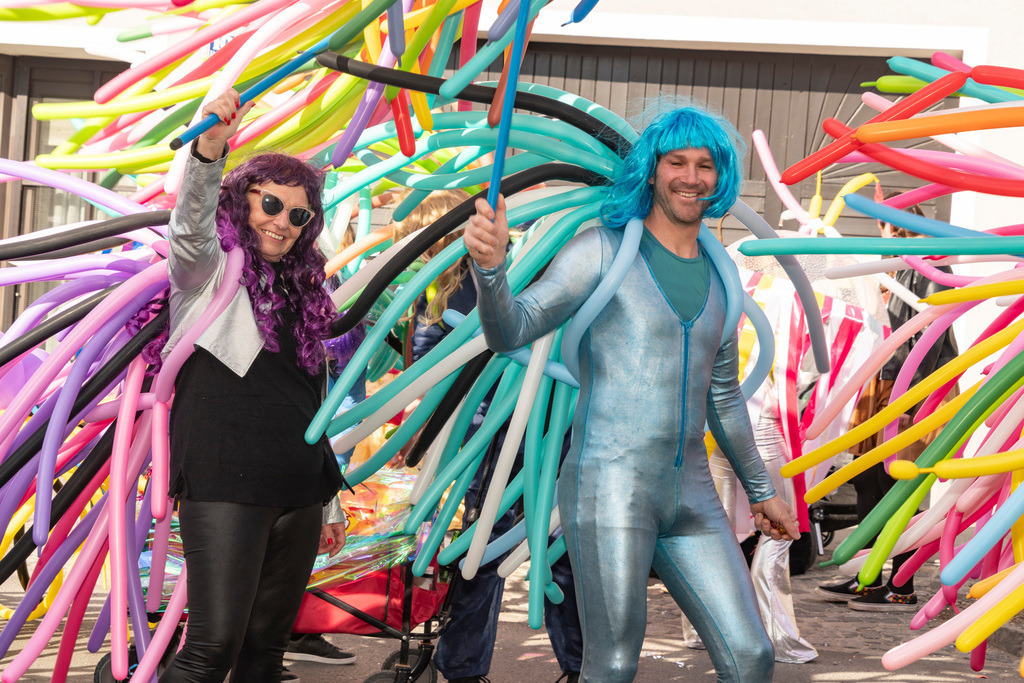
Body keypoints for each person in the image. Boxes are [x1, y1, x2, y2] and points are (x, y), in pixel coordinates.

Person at [463, 103, 800, 683]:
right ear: (651, 169)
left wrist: (763, 487)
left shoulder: (723, 275)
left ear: (720, 178)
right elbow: (512, 331)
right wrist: (492, 272)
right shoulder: (602, 250)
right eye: (676, 162)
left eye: (705, 165)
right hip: (609, 486)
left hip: (692, 496)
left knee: (753, 656)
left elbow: (722, 397)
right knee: (613, 663)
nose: (690, 177)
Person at [155, 89, 349, 682]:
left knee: (264, 653)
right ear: (243, 201)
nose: (282, 222)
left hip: (299, 485)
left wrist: (329, 497)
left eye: (299, 215)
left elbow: (309, 404)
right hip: (224, 475)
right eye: (270, 204)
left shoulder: (308, 297)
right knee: (211, 649)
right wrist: (208, 150)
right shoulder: (209, 274)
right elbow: (189, 229)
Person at [397, 189, 583, 683]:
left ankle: (463, 666)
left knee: (488, 548)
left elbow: (426, 374)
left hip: (495, 435)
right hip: (532, 429)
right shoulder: (504, 276)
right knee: (552, 548)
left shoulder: (446, 293)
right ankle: (579, 665)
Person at [816, 197, 959, 612]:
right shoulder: (890, 266)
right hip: (882, 383)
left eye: (884, 225)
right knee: (868, 478)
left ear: (895, 227)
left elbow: (930, 333)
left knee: (904, 482)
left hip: (917, 385)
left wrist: (914, 398)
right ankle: (867, 575)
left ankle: (901, 585)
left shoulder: (932, 267)